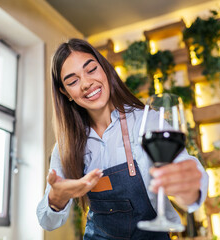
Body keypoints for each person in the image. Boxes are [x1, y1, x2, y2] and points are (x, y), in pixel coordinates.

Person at [36, 38, 208, 240]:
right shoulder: (66, 146)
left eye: (91, 70)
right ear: (66, 93)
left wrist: (189, 190)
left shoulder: (146, 121)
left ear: (105, 70)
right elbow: (47, 221)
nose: (86, 83)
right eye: (73, 81)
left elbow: (186, 169)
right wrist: (57, 197)